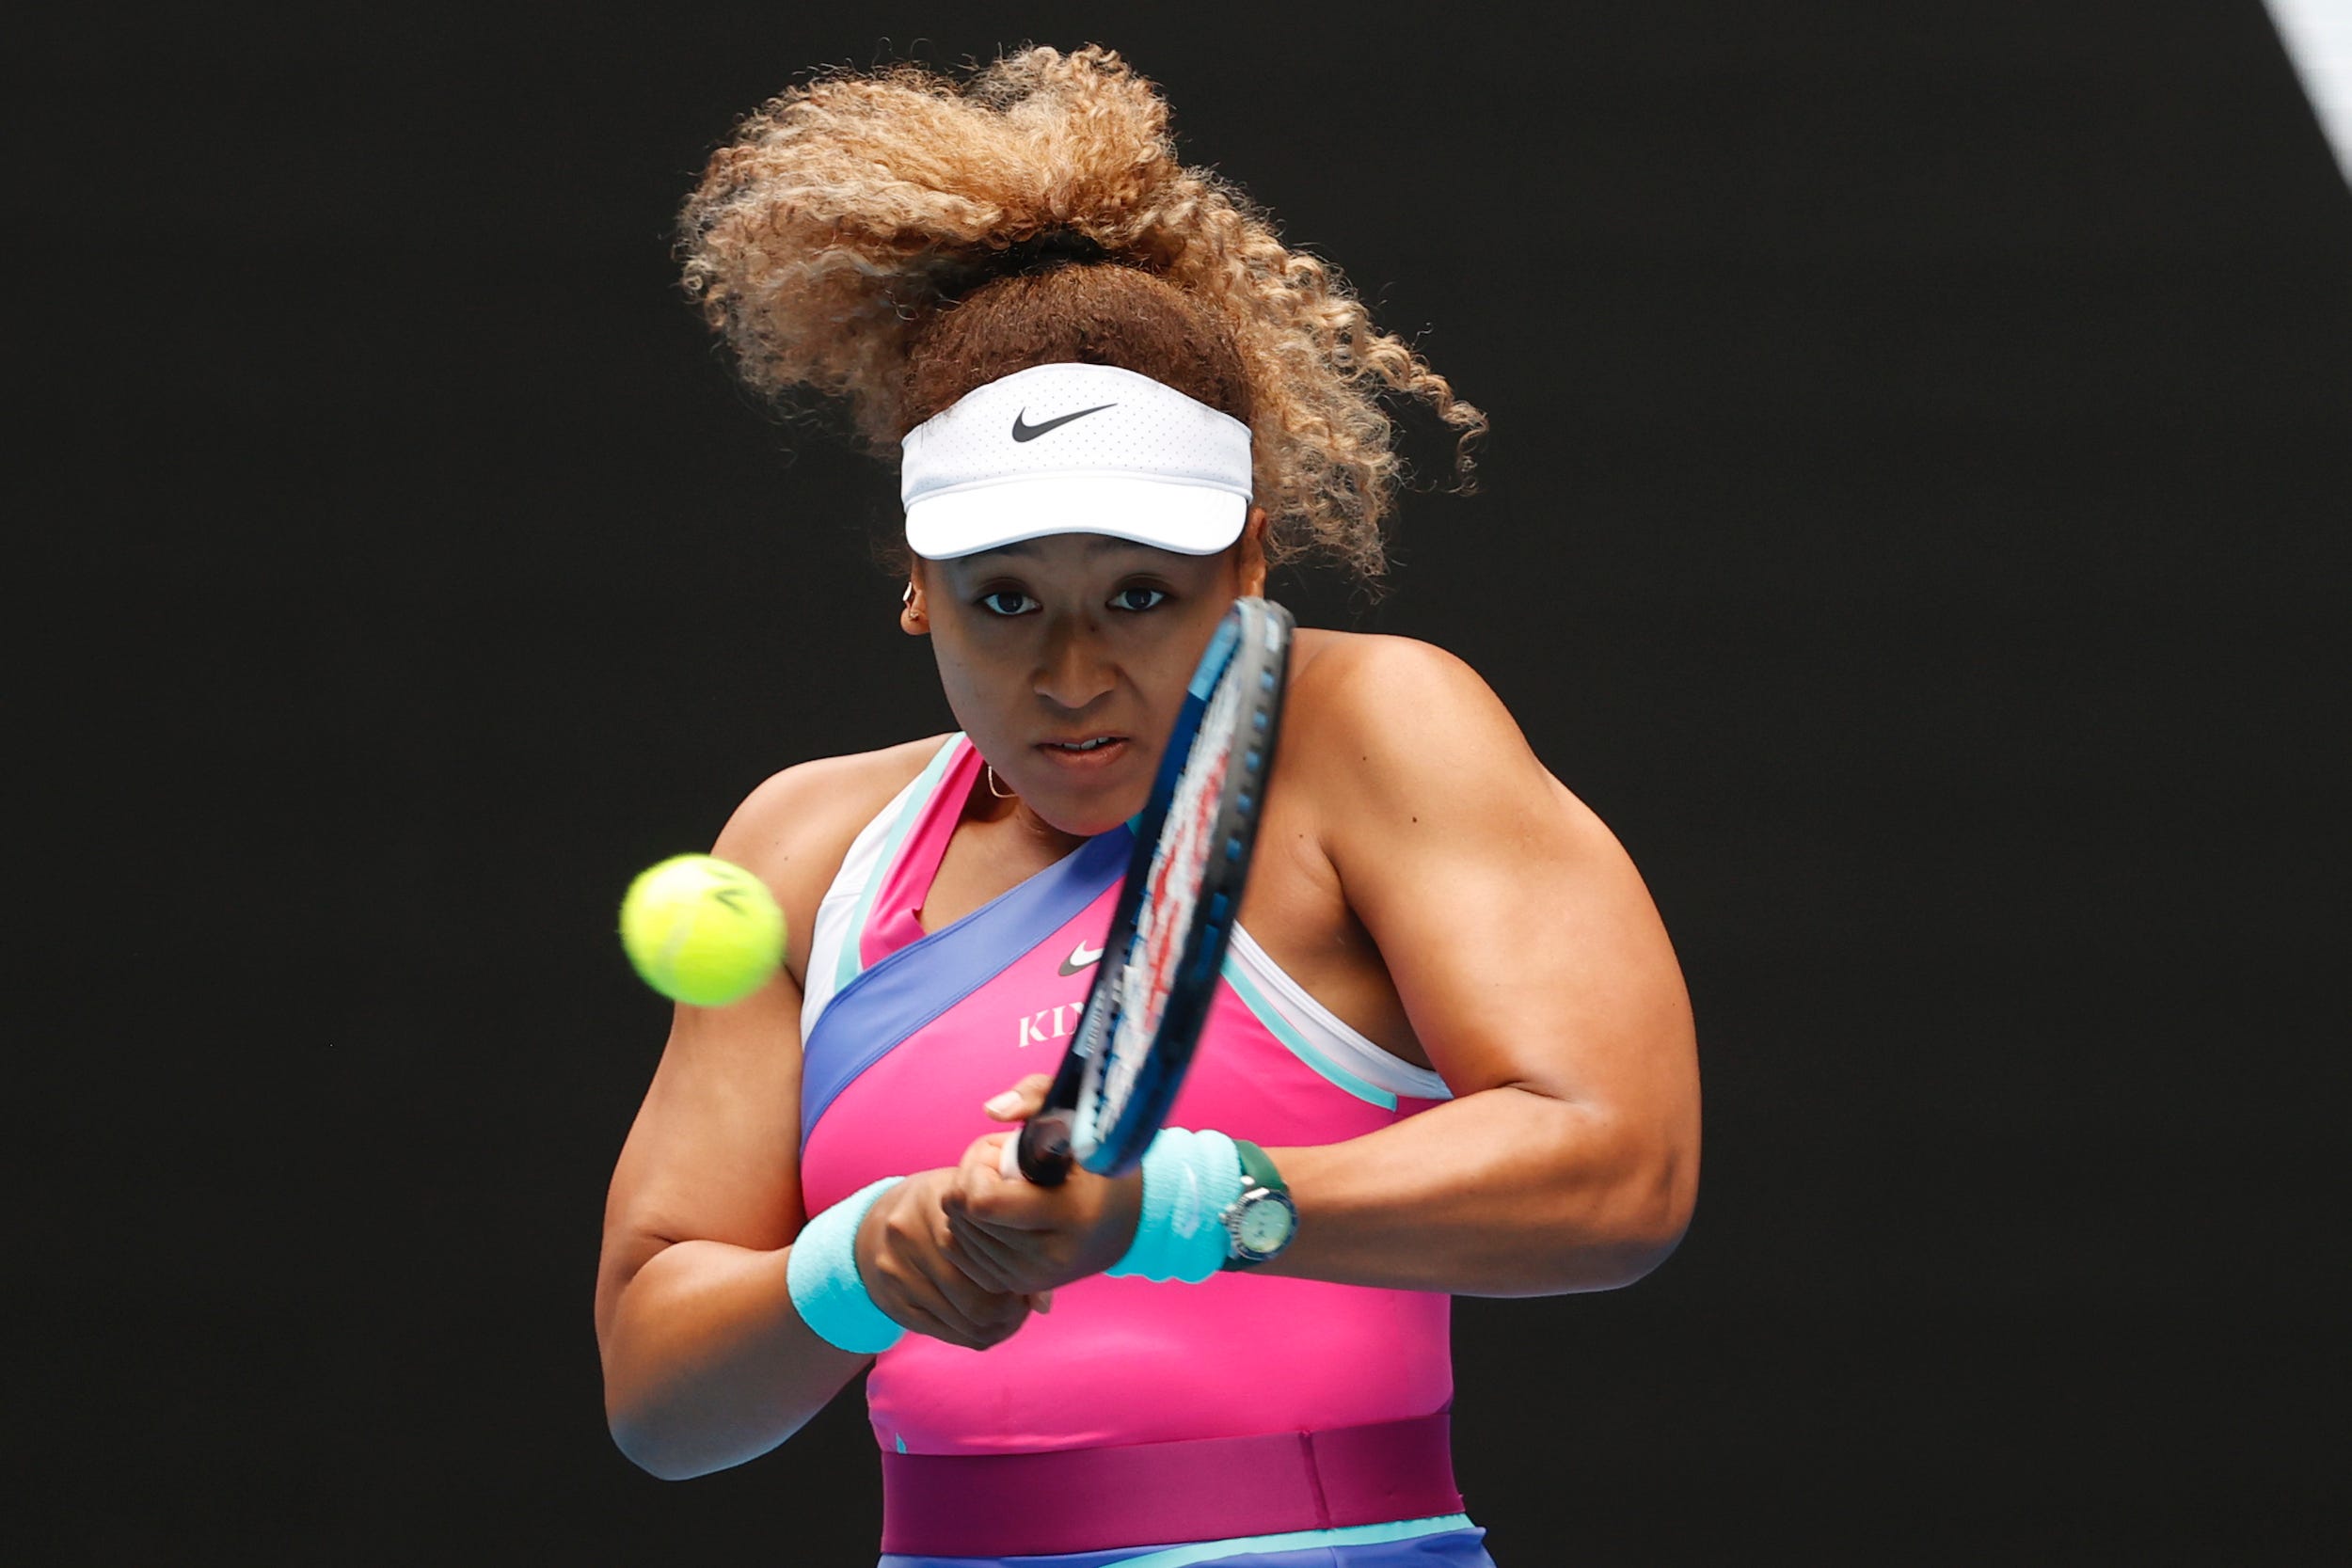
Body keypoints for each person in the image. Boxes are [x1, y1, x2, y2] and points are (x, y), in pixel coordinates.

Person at [594, 44, 1700, 1567]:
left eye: (1136, 592)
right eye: (1002, 598)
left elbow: (1620, 1168)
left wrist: (1178, 1204)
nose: (1070, 671)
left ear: (1247, 562)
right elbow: (660, 1400)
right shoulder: (799, 851)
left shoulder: (1374, 730)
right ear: (915, 594)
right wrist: (865, 1263)